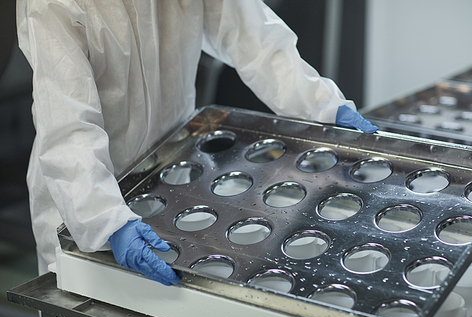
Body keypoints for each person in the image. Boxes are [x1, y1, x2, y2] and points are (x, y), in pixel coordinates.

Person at [17, 0, 378, 286]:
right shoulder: (53, 4)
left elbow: (257, 41)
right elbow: (68, 125)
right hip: (82, 191)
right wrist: (105, 220)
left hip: (172, 172)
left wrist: (324, 106)